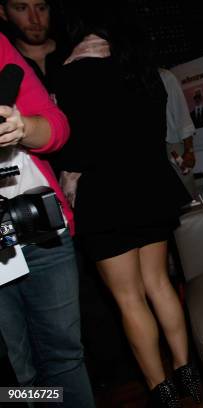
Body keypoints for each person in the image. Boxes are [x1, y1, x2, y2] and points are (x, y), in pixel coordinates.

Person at [51, 4, 200, 407]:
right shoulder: (144, 70)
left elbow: (74, 148)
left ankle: (162, 391)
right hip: (151, 187)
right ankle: (188, 374)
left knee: (129, 298)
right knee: (159, 284)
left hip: (105, 194)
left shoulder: (73, 71)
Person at [0, 32, 95, 407]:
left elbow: (57, 128)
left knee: (64, 357)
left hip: (38, 224)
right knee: (16, 371)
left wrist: (22, 128)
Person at [0, 0, 69, 102]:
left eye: (41, 8)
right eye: (21, 8)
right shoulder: (5, 61)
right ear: (3, 12)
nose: (35, 19)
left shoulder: (79, 53)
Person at [159, 67, 197, 198]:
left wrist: (189, 151)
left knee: (188, 196)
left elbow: (183, 116)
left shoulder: (164, 76)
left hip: (172, 146)